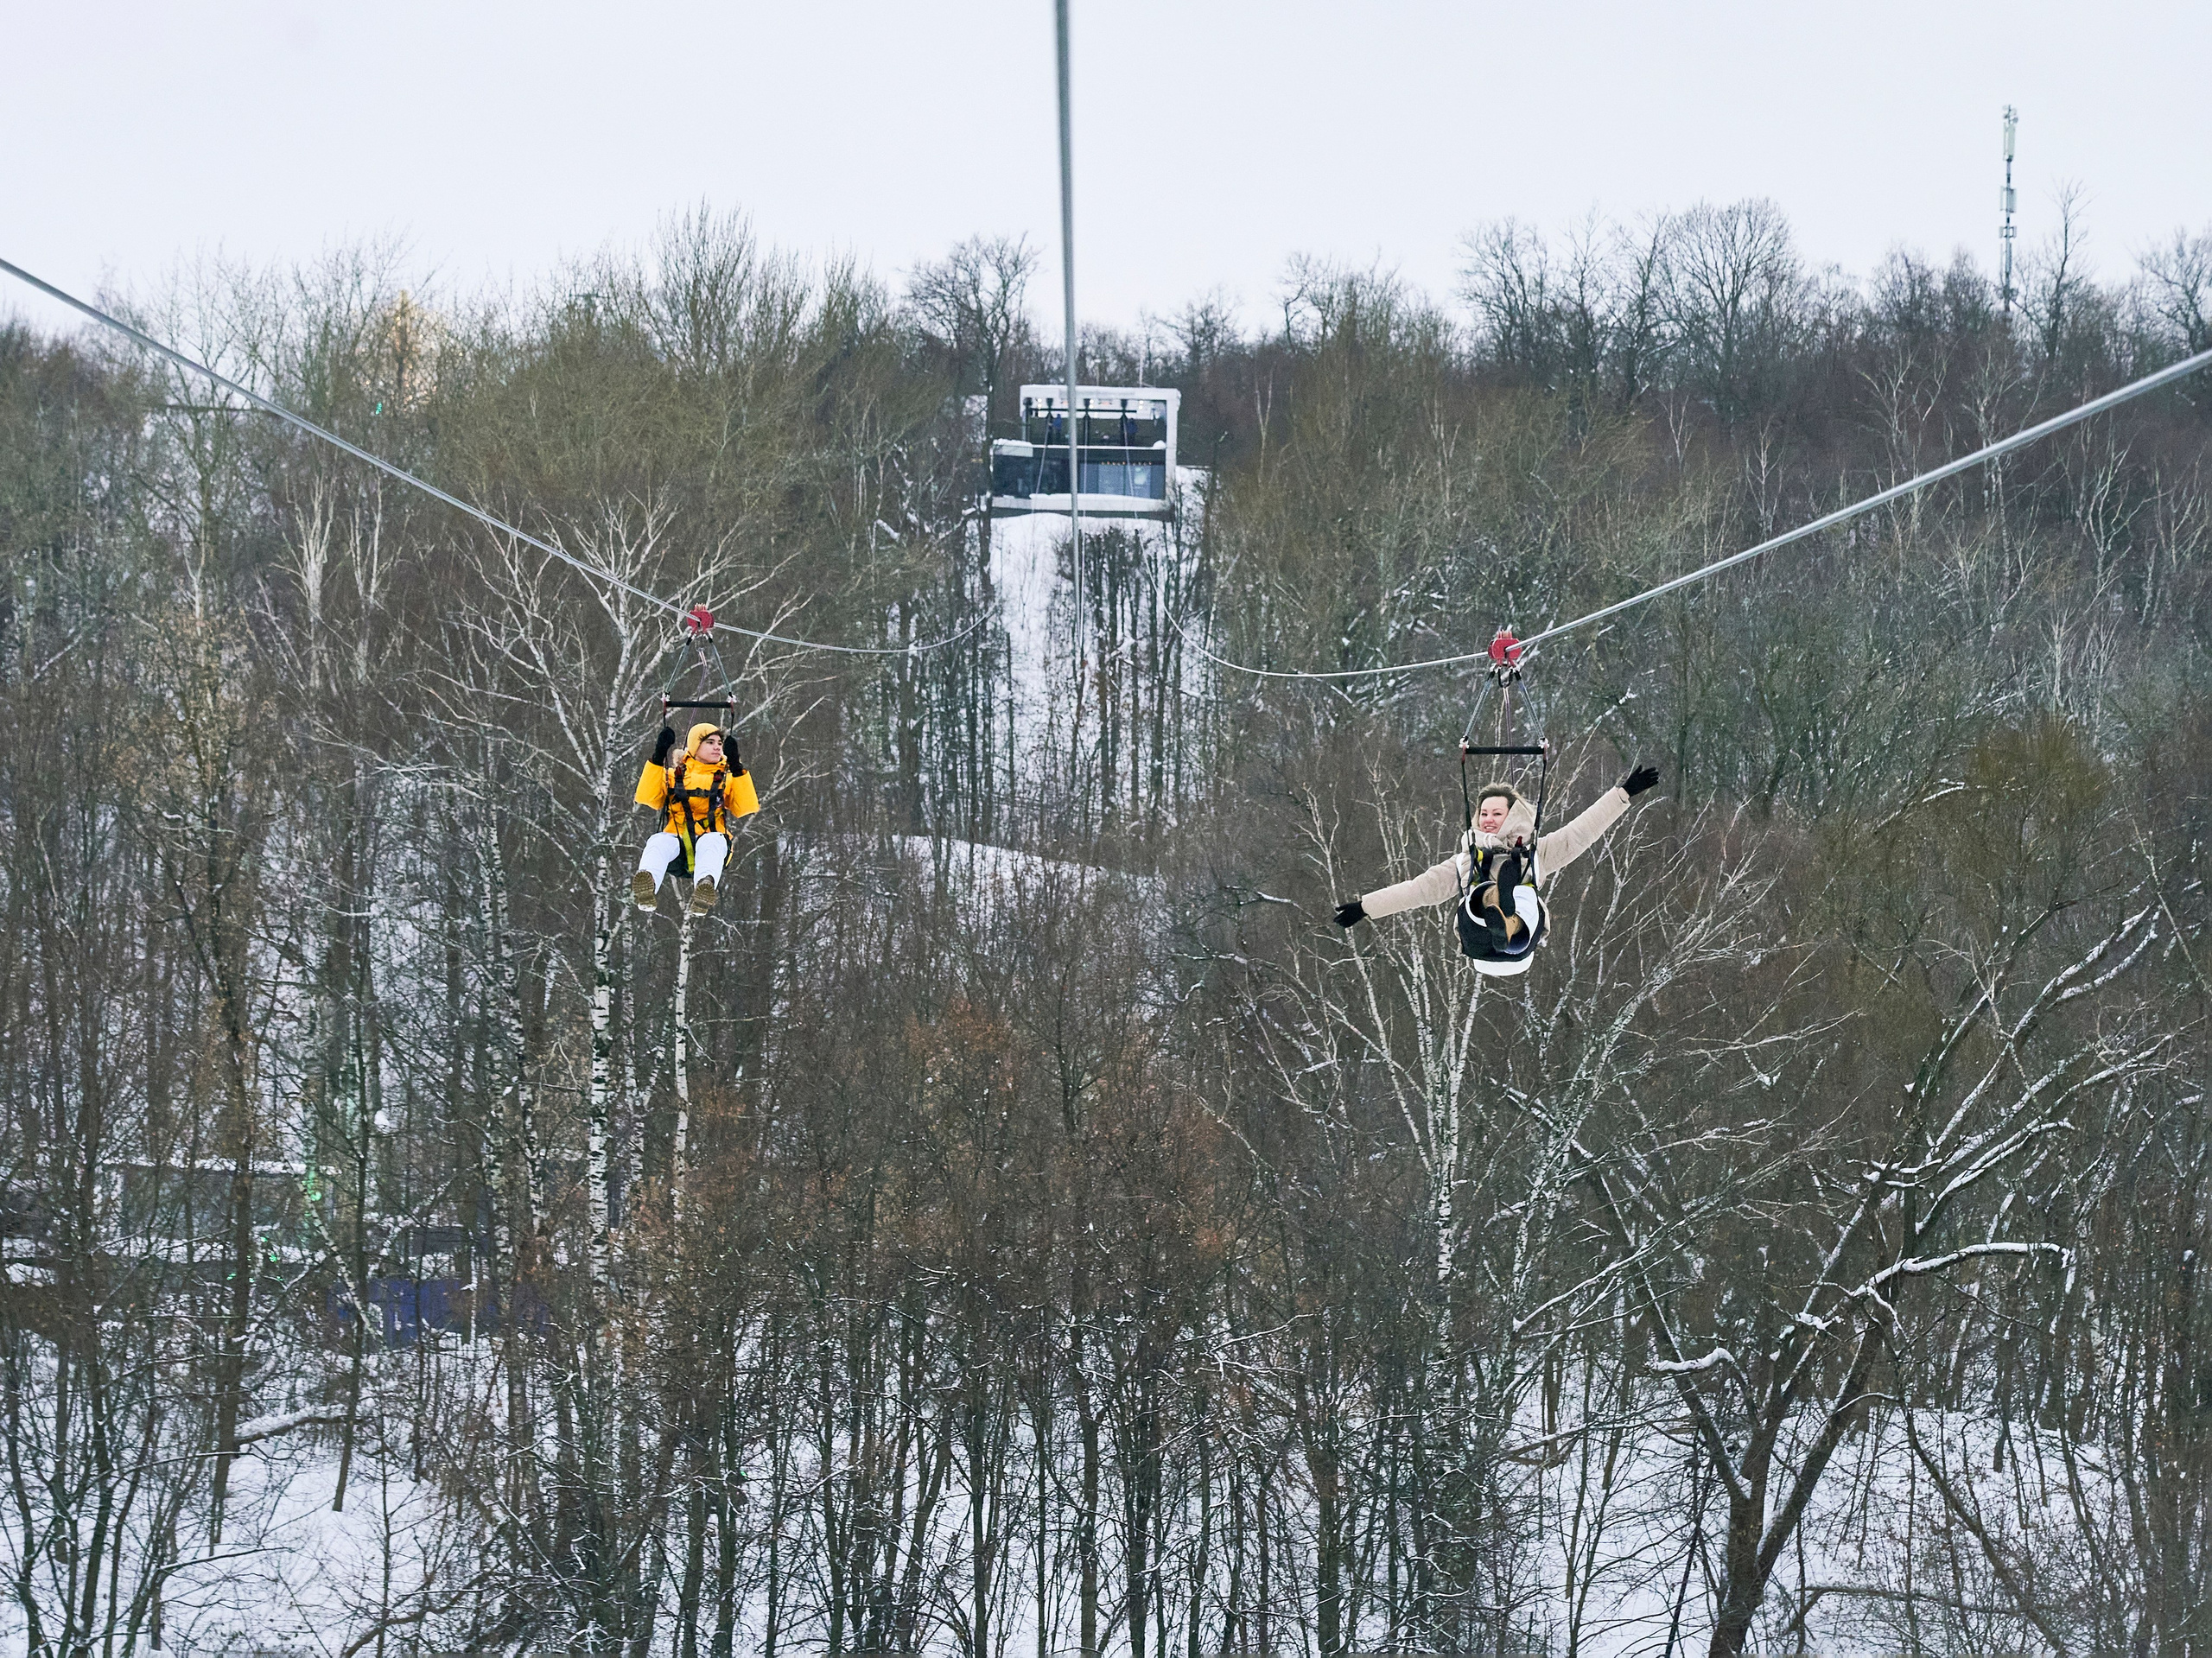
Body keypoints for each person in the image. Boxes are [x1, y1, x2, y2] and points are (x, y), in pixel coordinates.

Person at [1334, 764, 1661, 961]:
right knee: (1484, 897)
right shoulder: (1464, 862)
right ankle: (1496, 907)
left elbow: (1581, 832)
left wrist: (1623, 794)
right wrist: (1366, 907)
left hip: (1521, 941)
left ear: (1513, 815)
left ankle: (1507, 915)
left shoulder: (1538, 852)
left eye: (1497, 813)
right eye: (1484, 814)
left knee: (1522, 899)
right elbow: (1419, 890)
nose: (1489, 819)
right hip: (1477, 940)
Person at [632, 722, 760, 914]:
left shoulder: (727, 777)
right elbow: (648, 798)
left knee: (712, 841)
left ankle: (704, 887)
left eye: (719, 743)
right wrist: (658, 758)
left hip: (711, 843)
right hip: (678, 844)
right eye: (710, 742)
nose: (717, 747)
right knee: (658, 841)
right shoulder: (674, 776)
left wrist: (737, 767)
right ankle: (647, 885)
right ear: (695, 746)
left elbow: (745, 807)